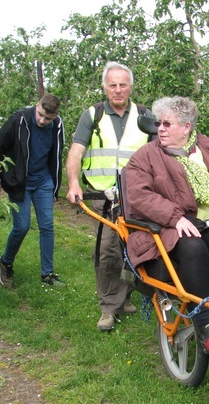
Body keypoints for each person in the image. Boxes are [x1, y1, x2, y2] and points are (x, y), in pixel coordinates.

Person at [124, 96, 209, 352]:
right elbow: (139, 196)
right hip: (169, 227)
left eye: (167, 124)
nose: (160, 129)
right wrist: (175, 217)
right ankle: (207, 324)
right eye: (158, 124)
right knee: (192, 247)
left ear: (187, 126)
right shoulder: (144, 158)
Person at [66, 61, 154, 332]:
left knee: (133, 248)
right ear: (105, 87)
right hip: (103, 195)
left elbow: (156, 155)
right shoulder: (92, 115)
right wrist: (72, 183)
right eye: (112, 84)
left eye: (123, 84)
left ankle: (124, 297)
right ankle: (108, 308)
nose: (118, 90)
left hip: (135, 195)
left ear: (131, 87)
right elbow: (76, 151)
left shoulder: (143, 115)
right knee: (107, 250)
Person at [0, 93, 66, 289]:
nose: (42, 121)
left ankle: (47, 273)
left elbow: (57, 155)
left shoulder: (57, 126)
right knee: (21, 226)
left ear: (55, 116)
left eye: (48, 118)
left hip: (43, 181)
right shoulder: (18, 120)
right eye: (40, 115)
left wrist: (55, 186)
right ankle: (5, 262)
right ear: (36, 106)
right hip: (19, 181)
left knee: (47, 226)